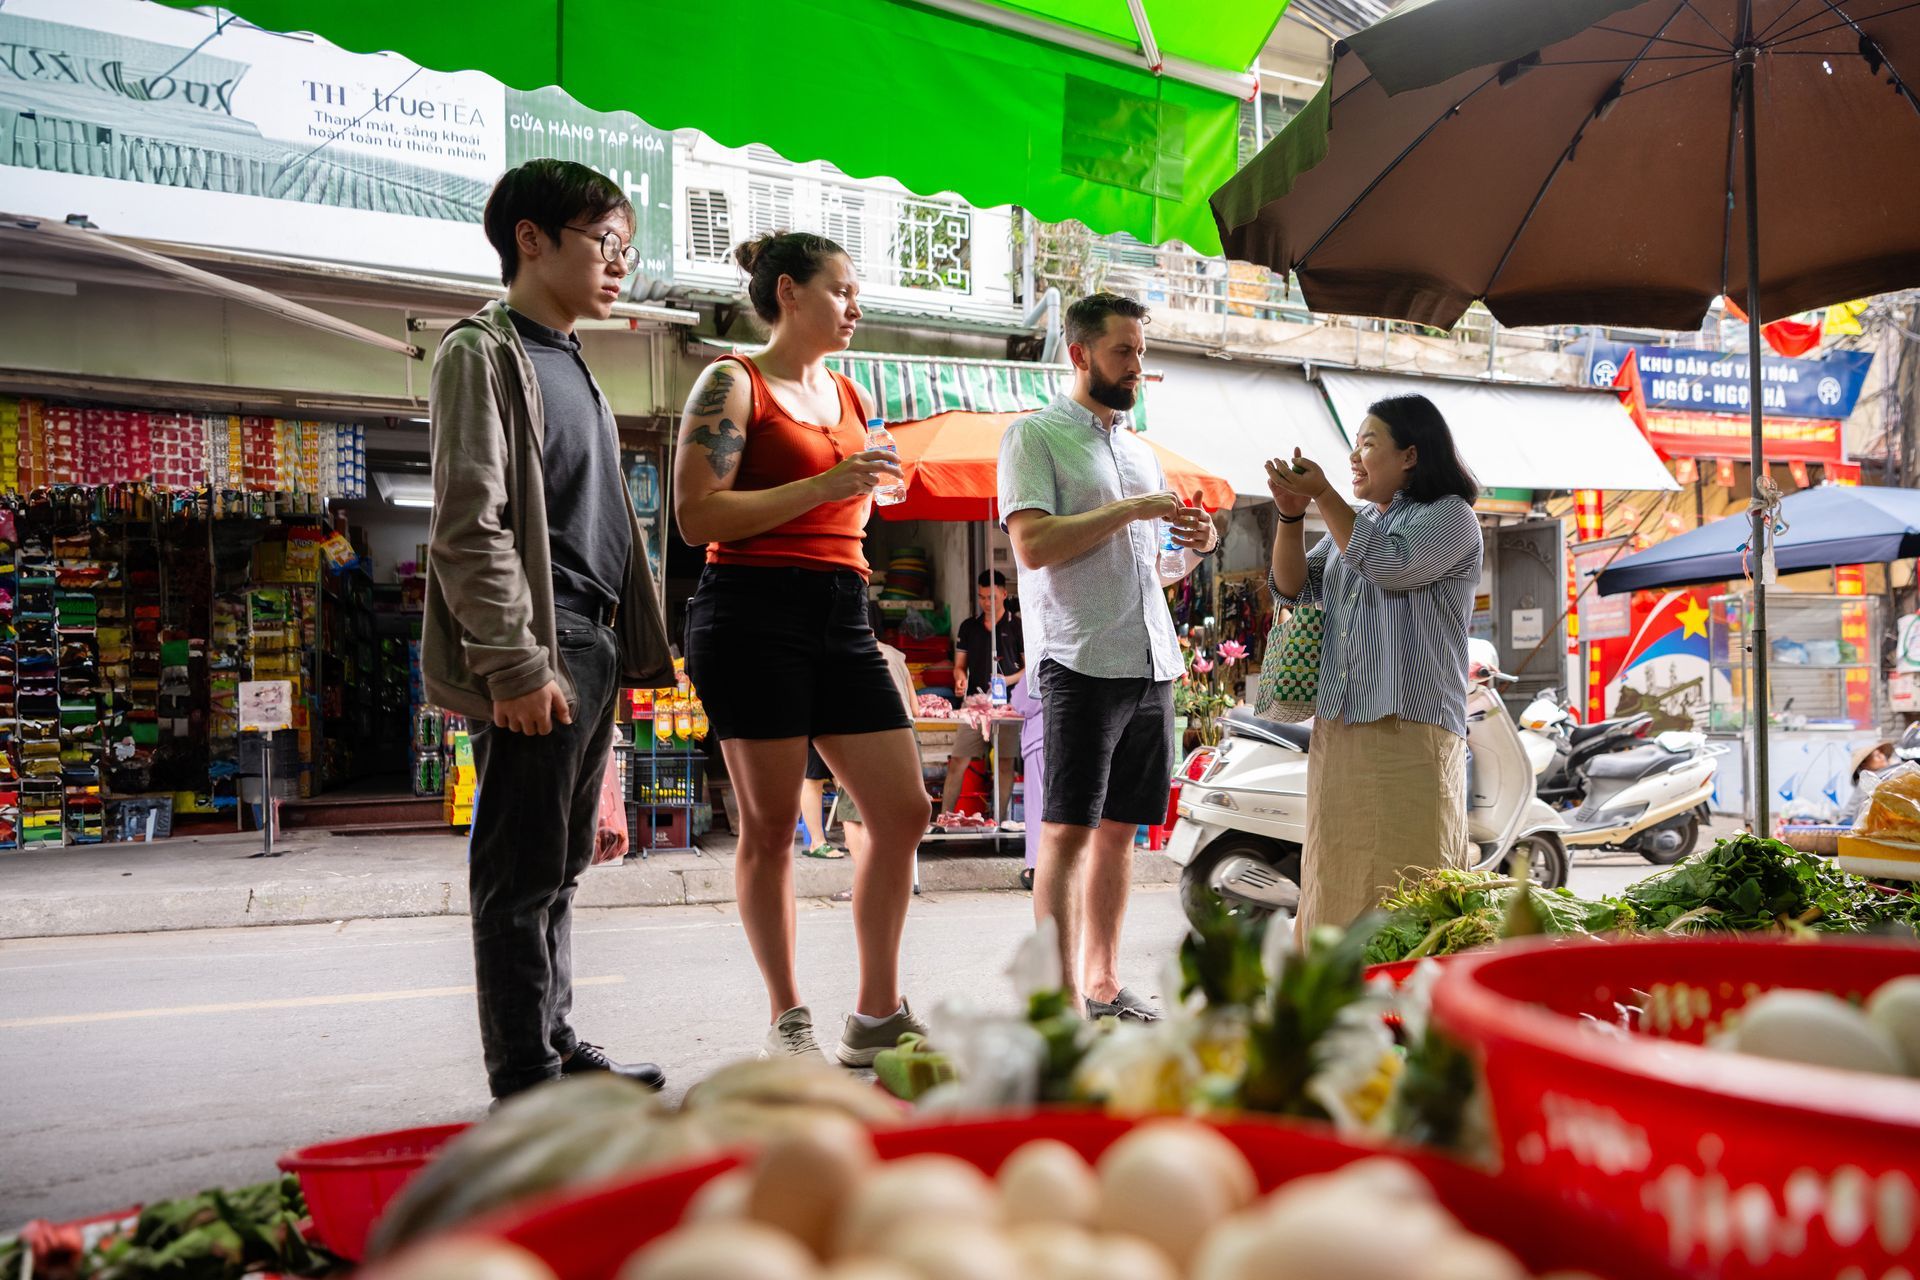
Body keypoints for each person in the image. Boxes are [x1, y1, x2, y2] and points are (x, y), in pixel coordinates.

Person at [424, 158, 673, 1102]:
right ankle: (526, 1078)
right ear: (530, 238)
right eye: (606, 243)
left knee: (561, 868)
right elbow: (466, 526)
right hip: (542, 639)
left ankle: (556, 1045)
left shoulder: (572, 360)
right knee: (519, 876)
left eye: (627, 250)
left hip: (590, 640)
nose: (620, 265)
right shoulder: (481, 353)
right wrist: (517, 660)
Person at [674, 230, 930, 1065]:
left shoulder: (848, 393)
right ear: (788, 292)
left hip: (842, 607)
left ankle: (877, 1014)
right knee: (773, 825)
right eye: (842, 290)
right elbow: (696, 516)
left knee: (903, 812)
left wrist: (870, 490)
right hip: (751, 612)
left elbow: (844, 506)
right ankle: (789, 1018)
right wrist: (826, 484)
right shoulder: (732, 382)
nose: (856, 306)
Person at [999, 291, 1218, 1020]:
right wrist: (1130, 509)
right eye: (1123, 351)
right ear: (1079, 354)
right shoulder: (1035, 438)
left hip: (1150, 658)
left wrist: (1193, 546)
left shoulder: (1139, 452)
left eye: (1141, 352)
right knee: (1064, 832)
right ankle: (1057, 1004)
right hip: (1079, 658)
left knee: (1121, 831)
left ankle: (1101, 983)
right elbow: (1033, 546)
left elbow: (1148, 567)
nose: (1135, 366)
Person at [1266, 394, 1483, 933]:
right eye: (1354, 444)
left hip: (1412, 729)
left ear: (1410, 456)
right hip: (1340, 729)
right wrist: (1290, 516)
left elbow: (1389, 566)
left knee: (1408, 884)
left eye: (1369, 443)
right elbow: (1291, 588)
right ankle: (1337, 1002)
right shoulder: (1357, 524)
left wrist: (1323, 494)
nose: (1355, 457)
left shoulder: (1451, 516)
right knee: (1336, 876)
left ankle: (1404, 1007)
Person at [941, 569, 1025, 822]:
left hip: (1008, 706)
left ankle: (996, 821)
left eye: (992, 598)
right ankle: (944, 818)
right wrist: (960, 678)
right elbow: (959, 665)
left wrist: (1006, 680)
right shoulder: (969, 627)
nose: (987, 603)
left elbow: (1029, 667)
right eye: (982, 598)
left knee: (1004, 763)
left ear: (1003, 594)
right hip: (975, 705)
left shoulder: (1017, 626)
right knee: (958, 760)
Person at [1840, 740, 1895, 824]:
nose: (1882, 756)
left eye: (1881, 753)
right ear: (1864, 765)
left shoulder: (1888, 774)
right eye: (1876, 756)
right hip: (1850, 822)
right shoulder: (1867, 781)